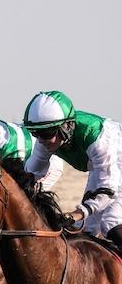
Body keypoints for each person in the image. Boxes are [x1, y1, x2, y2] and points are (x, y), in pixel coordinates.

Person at [22, 90, 122, 245]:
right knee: (85, 228)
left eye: (47, 133)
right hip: (104, 168)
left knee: (111, 223)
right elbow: (30, 172)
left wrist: (78, 212)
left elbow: (108, 190)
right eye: (35, 133)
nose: (41, 140)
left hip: (117, 163)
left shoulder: (97, 138)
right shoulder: (47, 140)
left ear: (66, 126)